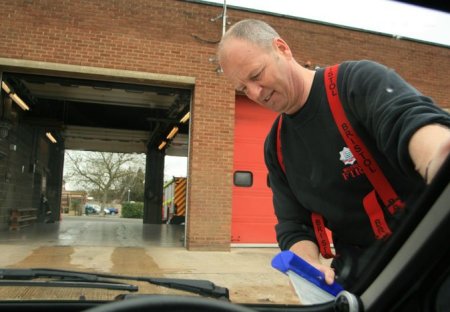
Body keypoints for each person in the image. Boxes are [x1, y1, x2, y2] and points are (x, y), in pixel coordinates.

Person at [217, 19, 450, 287]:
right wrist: (308, 265)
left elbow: (409, 122)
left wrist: (439, 160)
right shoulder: (276, 146)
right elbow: (294, 225)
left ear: (281, 49)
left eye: (257, 75)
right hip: (360, 277)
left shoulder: (356, 83)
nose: (255, 93)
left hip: (430, 254)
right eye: (243, 88)